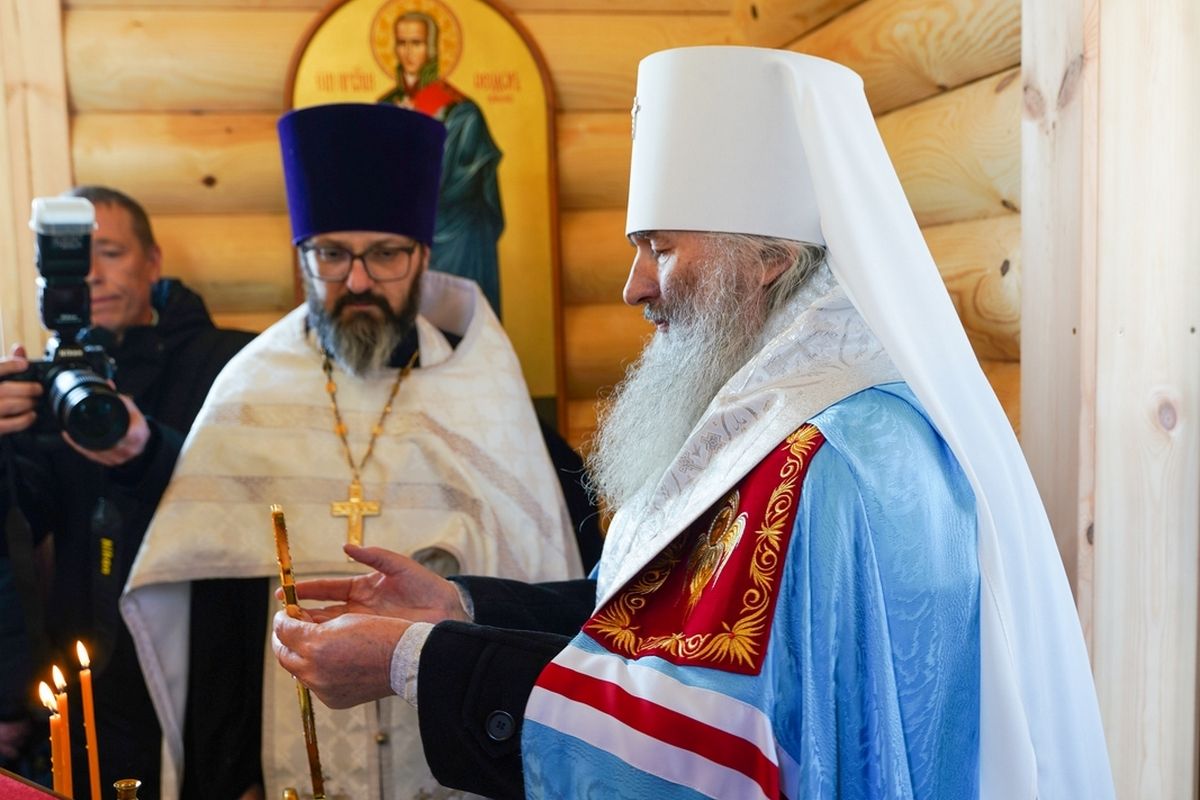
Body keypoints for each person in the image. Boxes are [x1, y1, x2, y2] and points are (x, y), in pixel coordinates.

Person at [271, 47, 1117, 800]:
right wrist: (456, 606)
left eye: (662, 247)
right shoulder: (785, 412)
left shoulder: (822, 458)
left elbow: (699, 753)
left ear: (771, 258)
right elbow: (658, 622)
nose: (634, 286)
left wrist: (413, 662)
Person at [120, 103, 589, 800]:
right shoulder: (248, 391)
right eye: (332, 255)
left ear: (424, 256)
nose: (359, 281)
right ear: (302, 257)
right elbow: (215, 609)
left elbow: (540, 584)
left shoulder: (485, 395)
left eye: (386, 254)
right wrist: (232, 777)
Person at [0, 185, 255, 796]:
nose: (92, 274)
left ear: (153, 262)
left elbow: (248, 499)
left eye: (111, 252)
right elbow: (22, 529)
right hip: (91, 672)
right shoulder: (51, 386)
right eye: (75, 259)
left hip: (214, 666)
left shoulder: (232, 363)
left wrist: (149, 451)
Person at [378, 11, 505, 315]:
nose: (409, 52)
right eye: (402, 43)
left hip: (457, 238)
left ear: (433, 48)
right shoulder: (384, 108)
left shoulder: (462, 112)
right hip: (401, 236)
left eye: (417, 43)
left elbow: (466, 183)